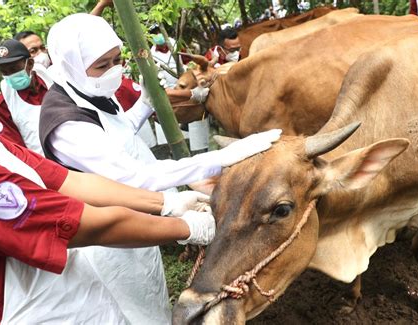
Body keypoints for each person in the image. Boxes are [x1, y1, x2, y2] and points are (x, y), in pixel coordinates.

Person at [38, 13, 281, 324]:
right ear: (69, 63)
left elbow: (119, 133)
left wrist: (145, 104)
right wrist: (219, 159)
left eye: (117, 60)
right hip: (110, 239)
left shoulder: (86, 91)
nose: (113, 70)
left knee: (153, 294)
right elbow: (135, 176)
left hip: (137, 216)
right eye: (102, 65)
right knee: (133, 309)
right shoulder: (66, 124)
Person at [0, 125, 215, 324]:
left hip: (73, 291)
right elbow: (86, 226)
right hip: (32, 312)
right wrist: (187, 228)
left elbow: (70, 181)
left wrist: (166, 202)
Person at [0, 39, 52, 155]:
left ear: (30, 64)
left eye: (13, 69)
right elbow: (17, 150)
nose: (10, 75)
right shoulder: (2, 105)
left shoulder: (54, 81)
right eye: (4, 72)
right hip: (46, 167)